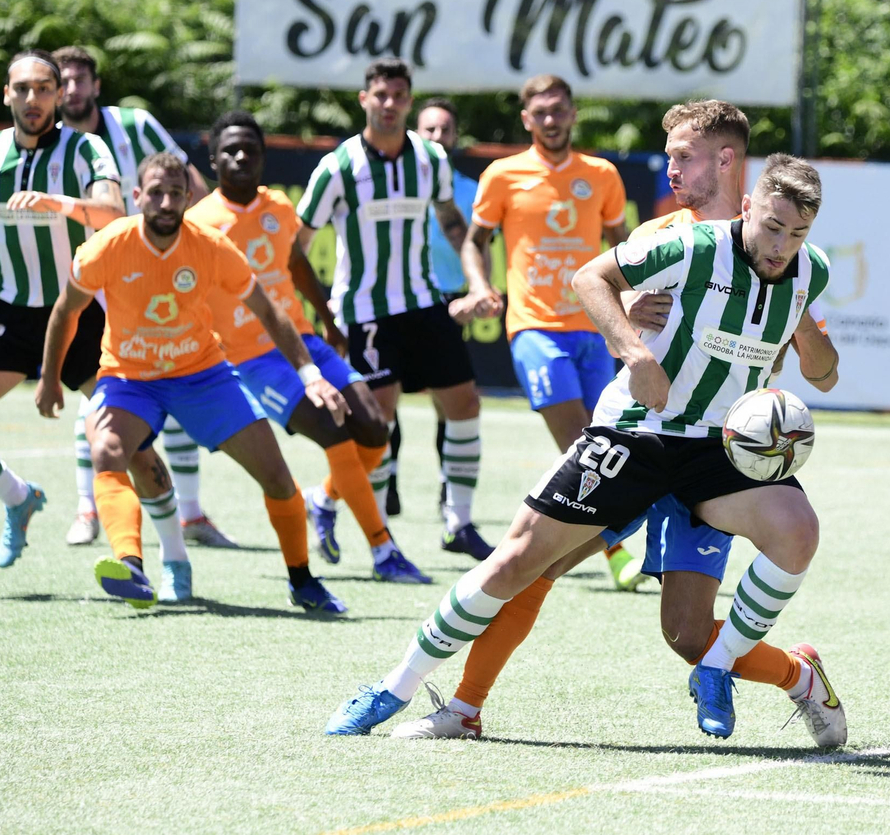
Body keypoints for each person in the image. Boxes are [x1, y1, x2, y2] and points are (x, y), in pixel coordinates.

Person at [326, 155, 843, 746]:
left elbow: (824, 374)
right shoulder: (693, 245)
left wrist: (808, 333)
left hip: (717, 449)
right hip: (637, 434)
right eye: (773, 227)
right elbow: (590, 278)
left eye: (797, 233)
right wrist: (635, 354)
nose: (781, 246)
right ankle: (397, 688)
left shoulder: (809, 270)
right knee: (519, 563)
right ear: (748, 206)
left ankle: (720, 667)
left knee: (791, 536)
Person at [37, 151, 350, 613]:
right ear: (137, 196)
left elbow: (269, 311)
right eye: (156, 193)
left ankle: (302, 580)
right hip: (130, 377)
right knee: (106, 449)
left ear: (188, 197)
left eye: (176, 193)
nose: (166, 203)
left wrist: (311, 376)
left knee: (278, 477)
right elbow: (66, 310)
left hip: (202, 374)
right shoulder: (107, 245)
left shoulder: (211, 246)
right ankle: (131, 567)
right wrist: (49, 379)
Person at [187, 111, 431, 584]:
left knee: (375, 430)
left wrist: (328, 321)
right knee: (333, 430)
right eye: (230, 150)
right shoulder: (198, 225)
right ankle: (384, 551)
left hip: (304, 343)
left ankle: (324, 499)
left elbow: (296, 263)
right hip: (251, 360)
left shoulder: (279, 207)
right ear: (213, 160)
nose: (241, 157)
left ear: (263, 157)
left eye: (250, 149)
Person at [450, 74, 641, 590]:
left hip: (594, 329)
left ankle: (547, 551)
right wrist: (479, 285)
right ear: (526, 119)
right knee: (585, 442)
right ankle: (612, 550)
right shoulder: (502, 175)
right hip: (534, 328)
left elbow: (625, 250)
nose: (551, 120)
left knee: (606, 441)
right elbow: (474, 241)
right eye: (541, 112)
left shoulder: (601, 175)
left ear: (574, 114)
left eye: (559, 110)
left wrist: (633, 306)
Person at [296, 59, 491, 559]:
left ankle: (458, 524)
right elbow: (296, 250)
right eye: (380, 95)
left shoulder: (429, 158)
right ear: (364, 99)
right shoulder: (338, 167)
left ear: (409, 101)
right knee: (377, 422)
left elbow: (454, 225)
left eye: (399, 96)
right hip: (366, 312)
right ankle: (372, 529)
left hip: (425, 302)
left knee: (465, 405)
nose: (389, 104)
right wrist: (326, 317)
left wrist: (478, 283)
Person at [55, 45, 233, 550]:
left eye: (80, 79)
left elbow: (187, 178)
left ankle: (191, 516)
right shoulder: (52, 143)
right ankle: (89, 509)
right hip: (94, 278)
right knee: (101, 395)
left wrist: (195, 241)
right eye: (63, 80)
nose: (72, 89)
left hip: (161, 276)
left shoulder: (134, 125)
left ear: (96, 85)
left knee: (178, 379)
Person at [0, 50, 127, 568]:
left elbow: (113, 214)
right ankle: (18, 498)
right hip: (9, 316)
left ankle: (166, 561)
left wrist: (60, 204)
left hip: (80, 314)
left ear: (57, 95)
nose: (34, 99)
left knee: (128, 444)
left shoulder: (85, 149)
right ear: (7, 94)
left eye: (44, 88)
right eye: (23, 88)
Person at [412, 97, 477, 521]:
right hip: (402, 297)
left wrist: (478, 289)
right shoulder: (396, 183)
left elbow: (479, 247)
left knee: (447, 401)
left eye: (445, 130)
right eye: (429, 129)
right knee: (384, 397)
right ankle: (387, 486)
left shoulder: (471, 191)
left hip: (449, 302)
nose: (437, 136)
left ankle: (446, 486)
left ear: (455, 136)